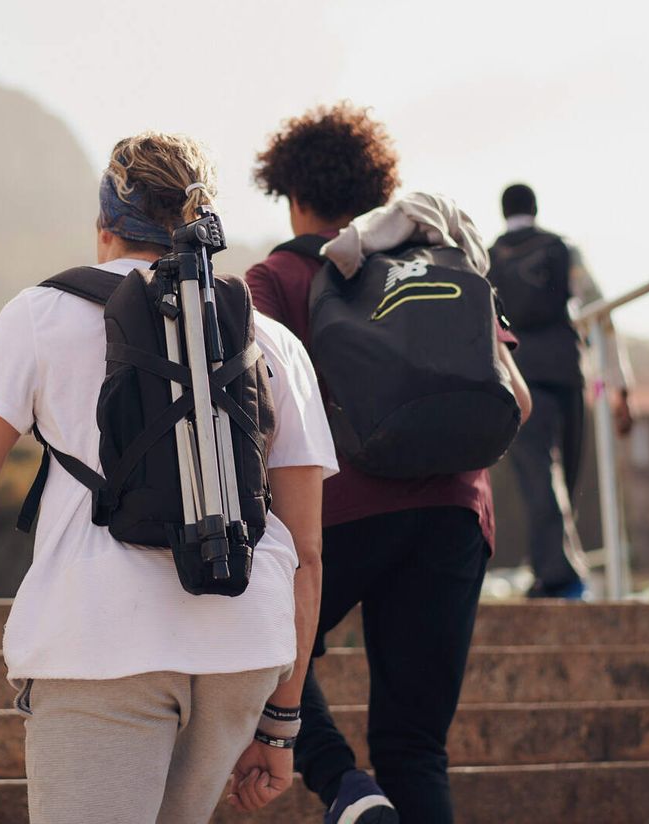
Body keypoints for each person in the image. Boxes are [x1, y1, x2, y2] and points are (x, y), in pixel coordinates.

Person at [0, 132, 335, 824]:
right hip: (244, 645)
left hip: (101, 641)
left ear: (105, 228)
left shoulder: (43, 316)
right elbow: (307, 552)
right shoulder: (270, 338)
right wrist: (281, 723)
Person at [246, 104, 531, 824]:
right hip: (452, 515)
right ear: (376, 190)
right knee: (414, 745)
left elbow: (252, 407)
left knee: (258, 651)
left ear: (294, 198)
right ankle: (374, 788)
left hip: (335, 514)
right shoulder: (431, 261)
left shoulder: (278, 278)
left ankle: (346, 788)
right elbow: (517, 401)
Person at [488, 183, 633, 600]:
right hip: (567, 372)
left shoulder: (488, 257)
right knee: (565, 475)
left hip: (517, 375)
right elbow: (598, 310)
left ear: (505, 211)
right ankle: (557, 571)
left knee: (539, 474)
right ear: (535, 208)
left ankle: (557, 573)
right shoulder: (562, 249)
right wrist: (619, 384)